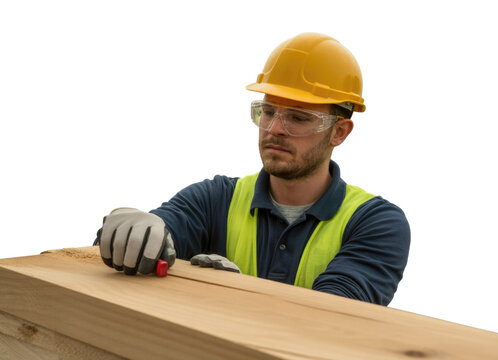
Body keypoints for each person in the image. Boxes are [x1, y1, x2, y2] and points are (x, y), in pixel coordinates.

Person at [96, 32, 410, 306]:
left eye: (298, 118)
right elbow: (148, 242)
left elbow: (331, 320)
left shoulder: (376, 223)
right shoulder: (214, 198)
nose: (275, 128)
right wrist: (131, 231)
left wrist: (238, 297)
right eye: (268, 111)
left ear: (339, 132)